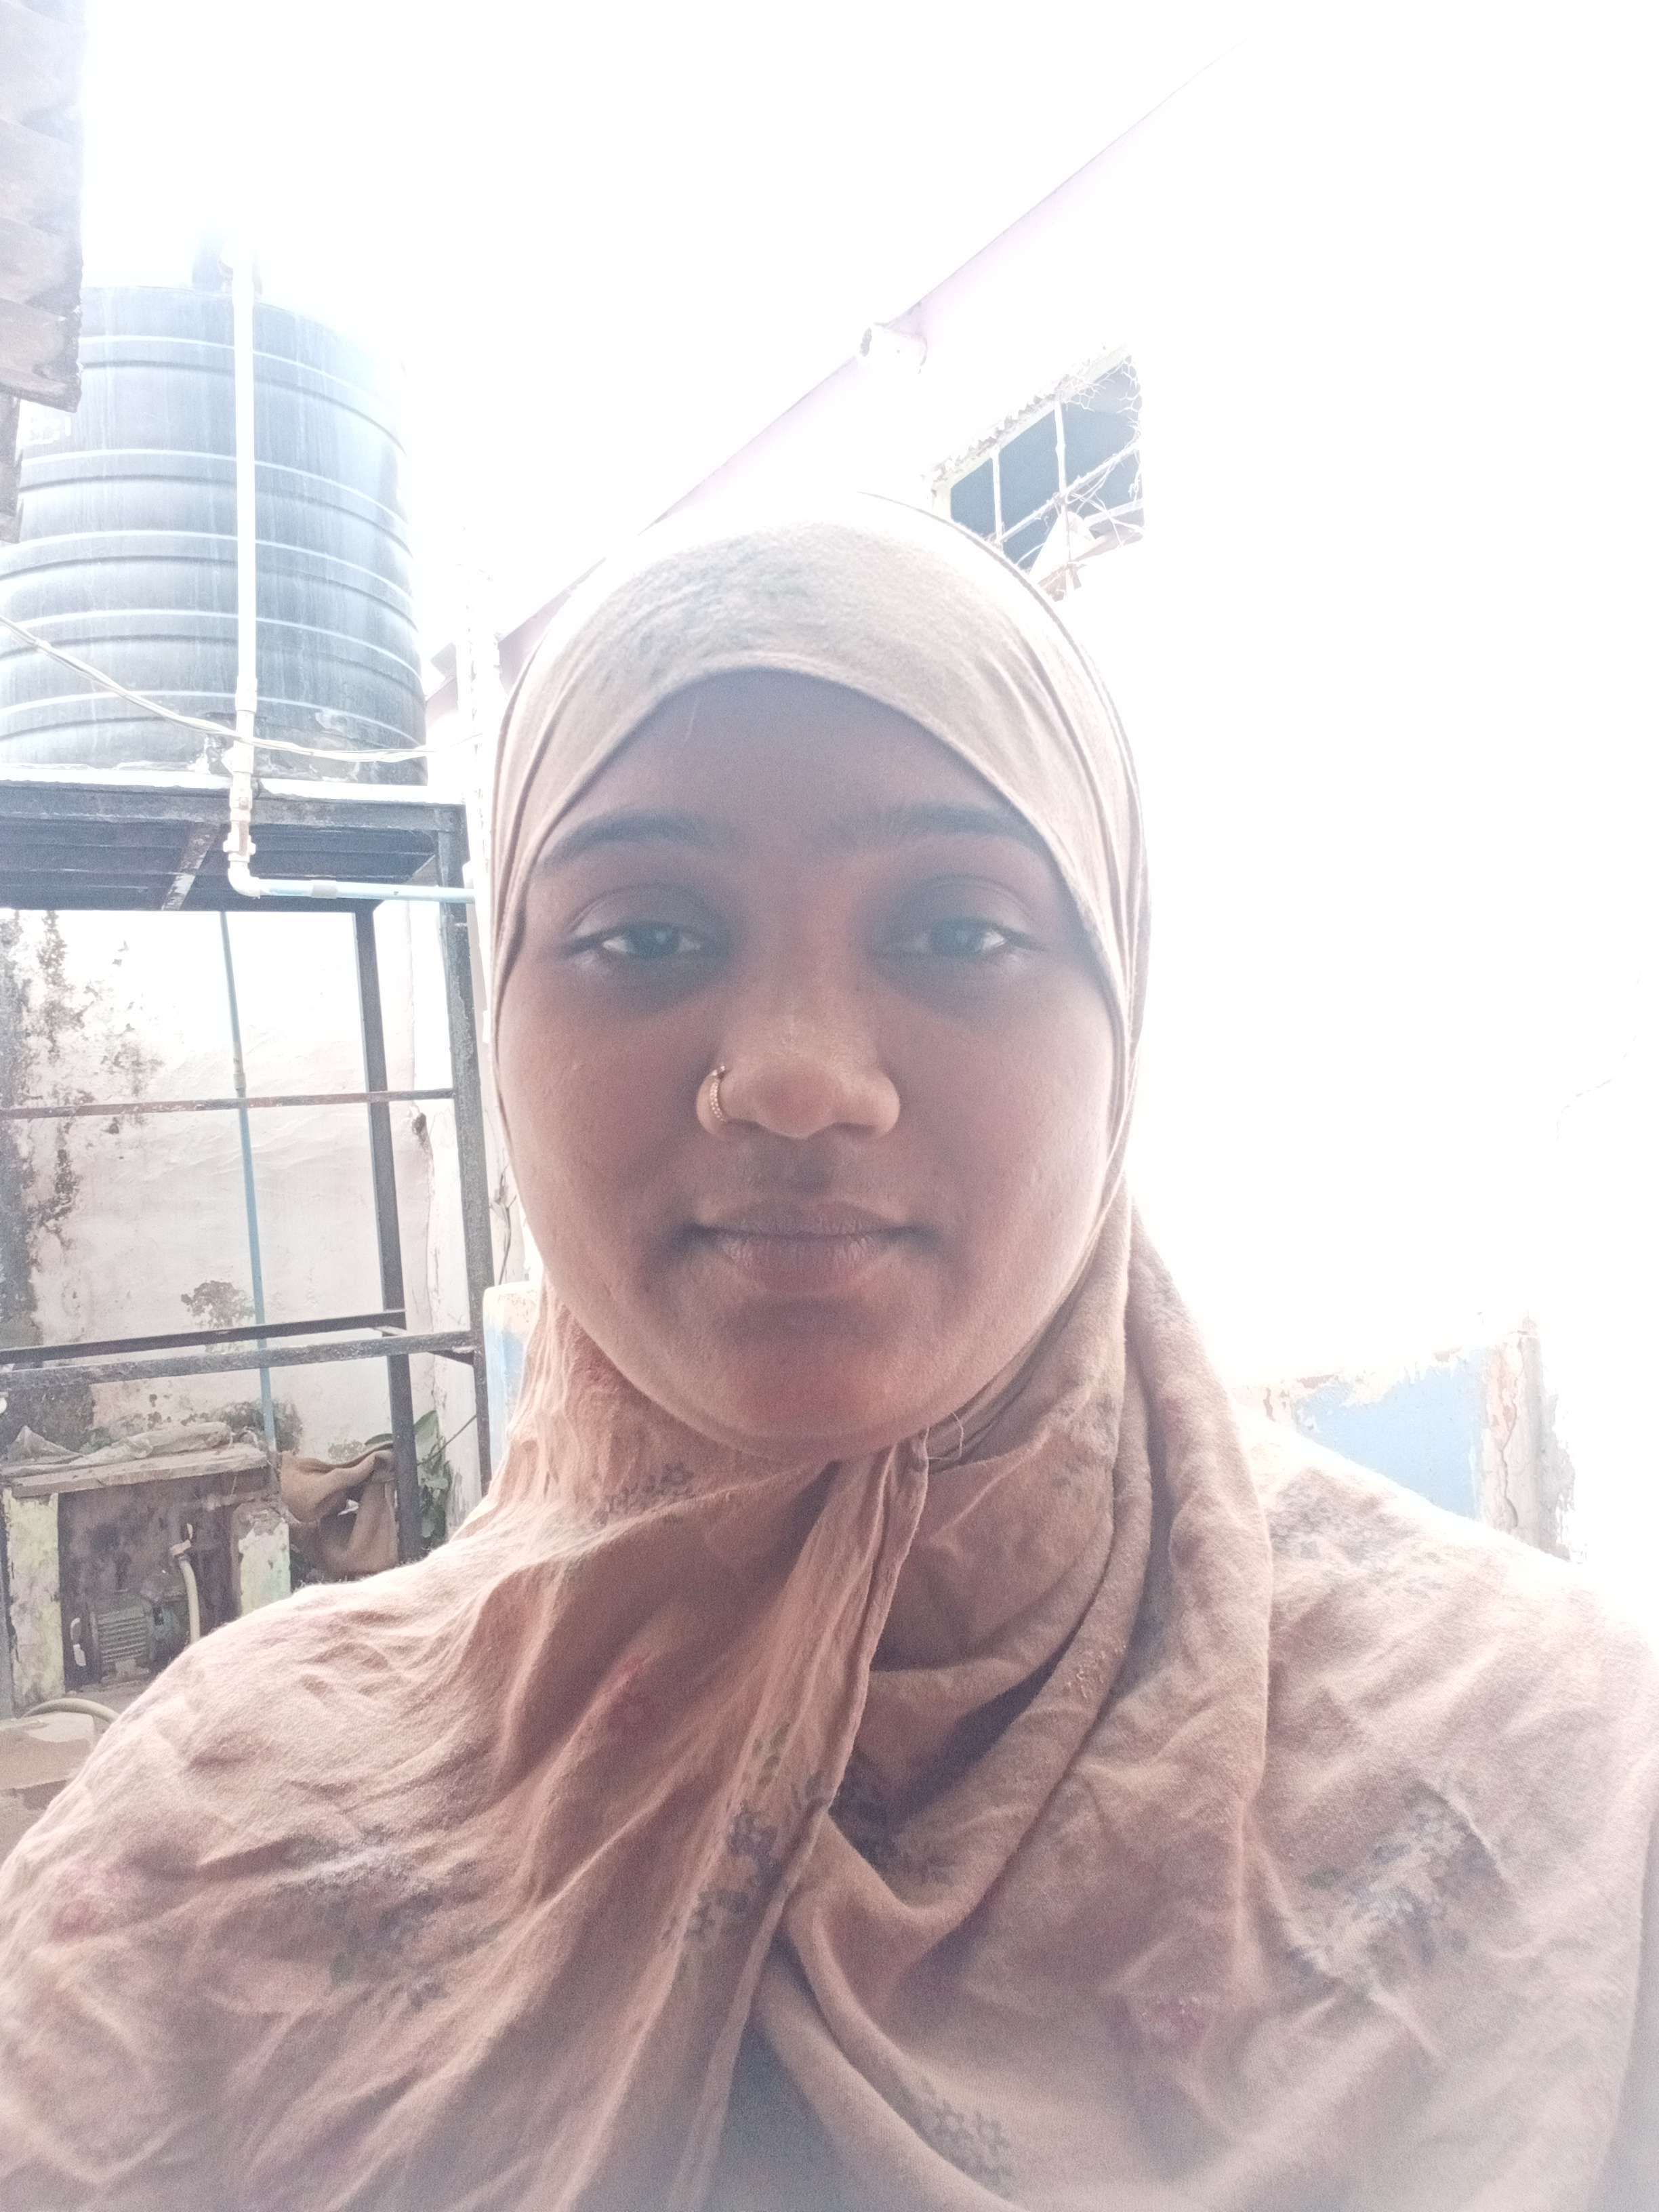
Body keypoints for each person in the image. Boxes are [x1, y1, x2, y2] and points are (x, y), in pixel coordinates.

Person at [0, 498, 1654, 2212]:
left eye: (957, 931)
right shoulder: (204, 1858)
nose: (797, 1080)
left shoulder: (1565, 1789)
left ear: (1123, 1019)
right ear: (501, 1018)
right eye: (647, 937)